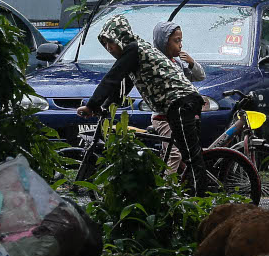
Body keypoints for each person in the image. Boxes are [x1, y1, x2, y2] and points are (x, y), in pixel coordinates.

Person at [76, 15, 209, 194]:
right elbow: (121, 87)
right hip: (179, 103)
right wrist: (105, 107)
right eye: (105, 44)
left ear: (120, 38)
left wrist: (91, 105)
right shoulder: (136, 54)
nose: (108, 48)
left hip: (181, 102)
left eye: (110, 43)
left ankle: (200, 201)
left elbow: (112, 77)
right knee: (185, 153)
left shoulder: (134, 49)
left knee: (190, 156)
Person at [151, 21, 206, 174]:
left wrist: (192, 62)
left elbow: (200, 76)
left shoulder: (178, 64)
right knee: (174, 153)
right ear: (164, 42)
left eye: (181, 40)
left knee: (187, 151)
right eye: (176, 41)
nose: (180, 45)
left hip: (182, 115)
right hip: (163, 118)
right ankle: (167, 189)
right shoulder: (157, 65)